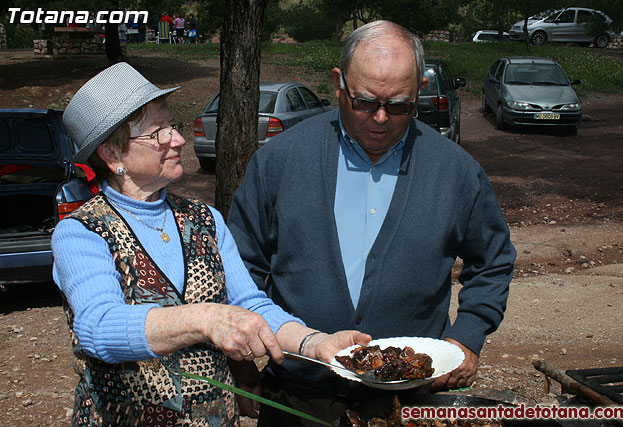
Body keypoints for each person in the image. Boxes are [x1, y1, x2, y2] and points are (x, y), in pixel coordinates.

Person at [227, 20, 516, 425]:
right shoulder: (280, 161)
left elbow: (493, 262)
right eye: (365, 102)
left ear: (419, 93)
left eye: (399, 105)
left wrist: (466, 337)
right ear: (338, 83)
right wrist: (241, 358)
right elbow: (241, 265)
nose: (381, 118)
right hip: (298, 396)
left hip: (410, 400)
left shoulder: (455, 172)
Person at [53, 62, 370, 426]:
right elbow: (98, 327)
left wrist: (315, 344)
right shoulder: (81, 232)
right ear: (112, 154)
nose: (178, 140)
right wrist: (206, 318)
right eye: (158, 132)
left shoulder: (204, 219)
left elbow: (250, 305)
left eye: (173, 125)